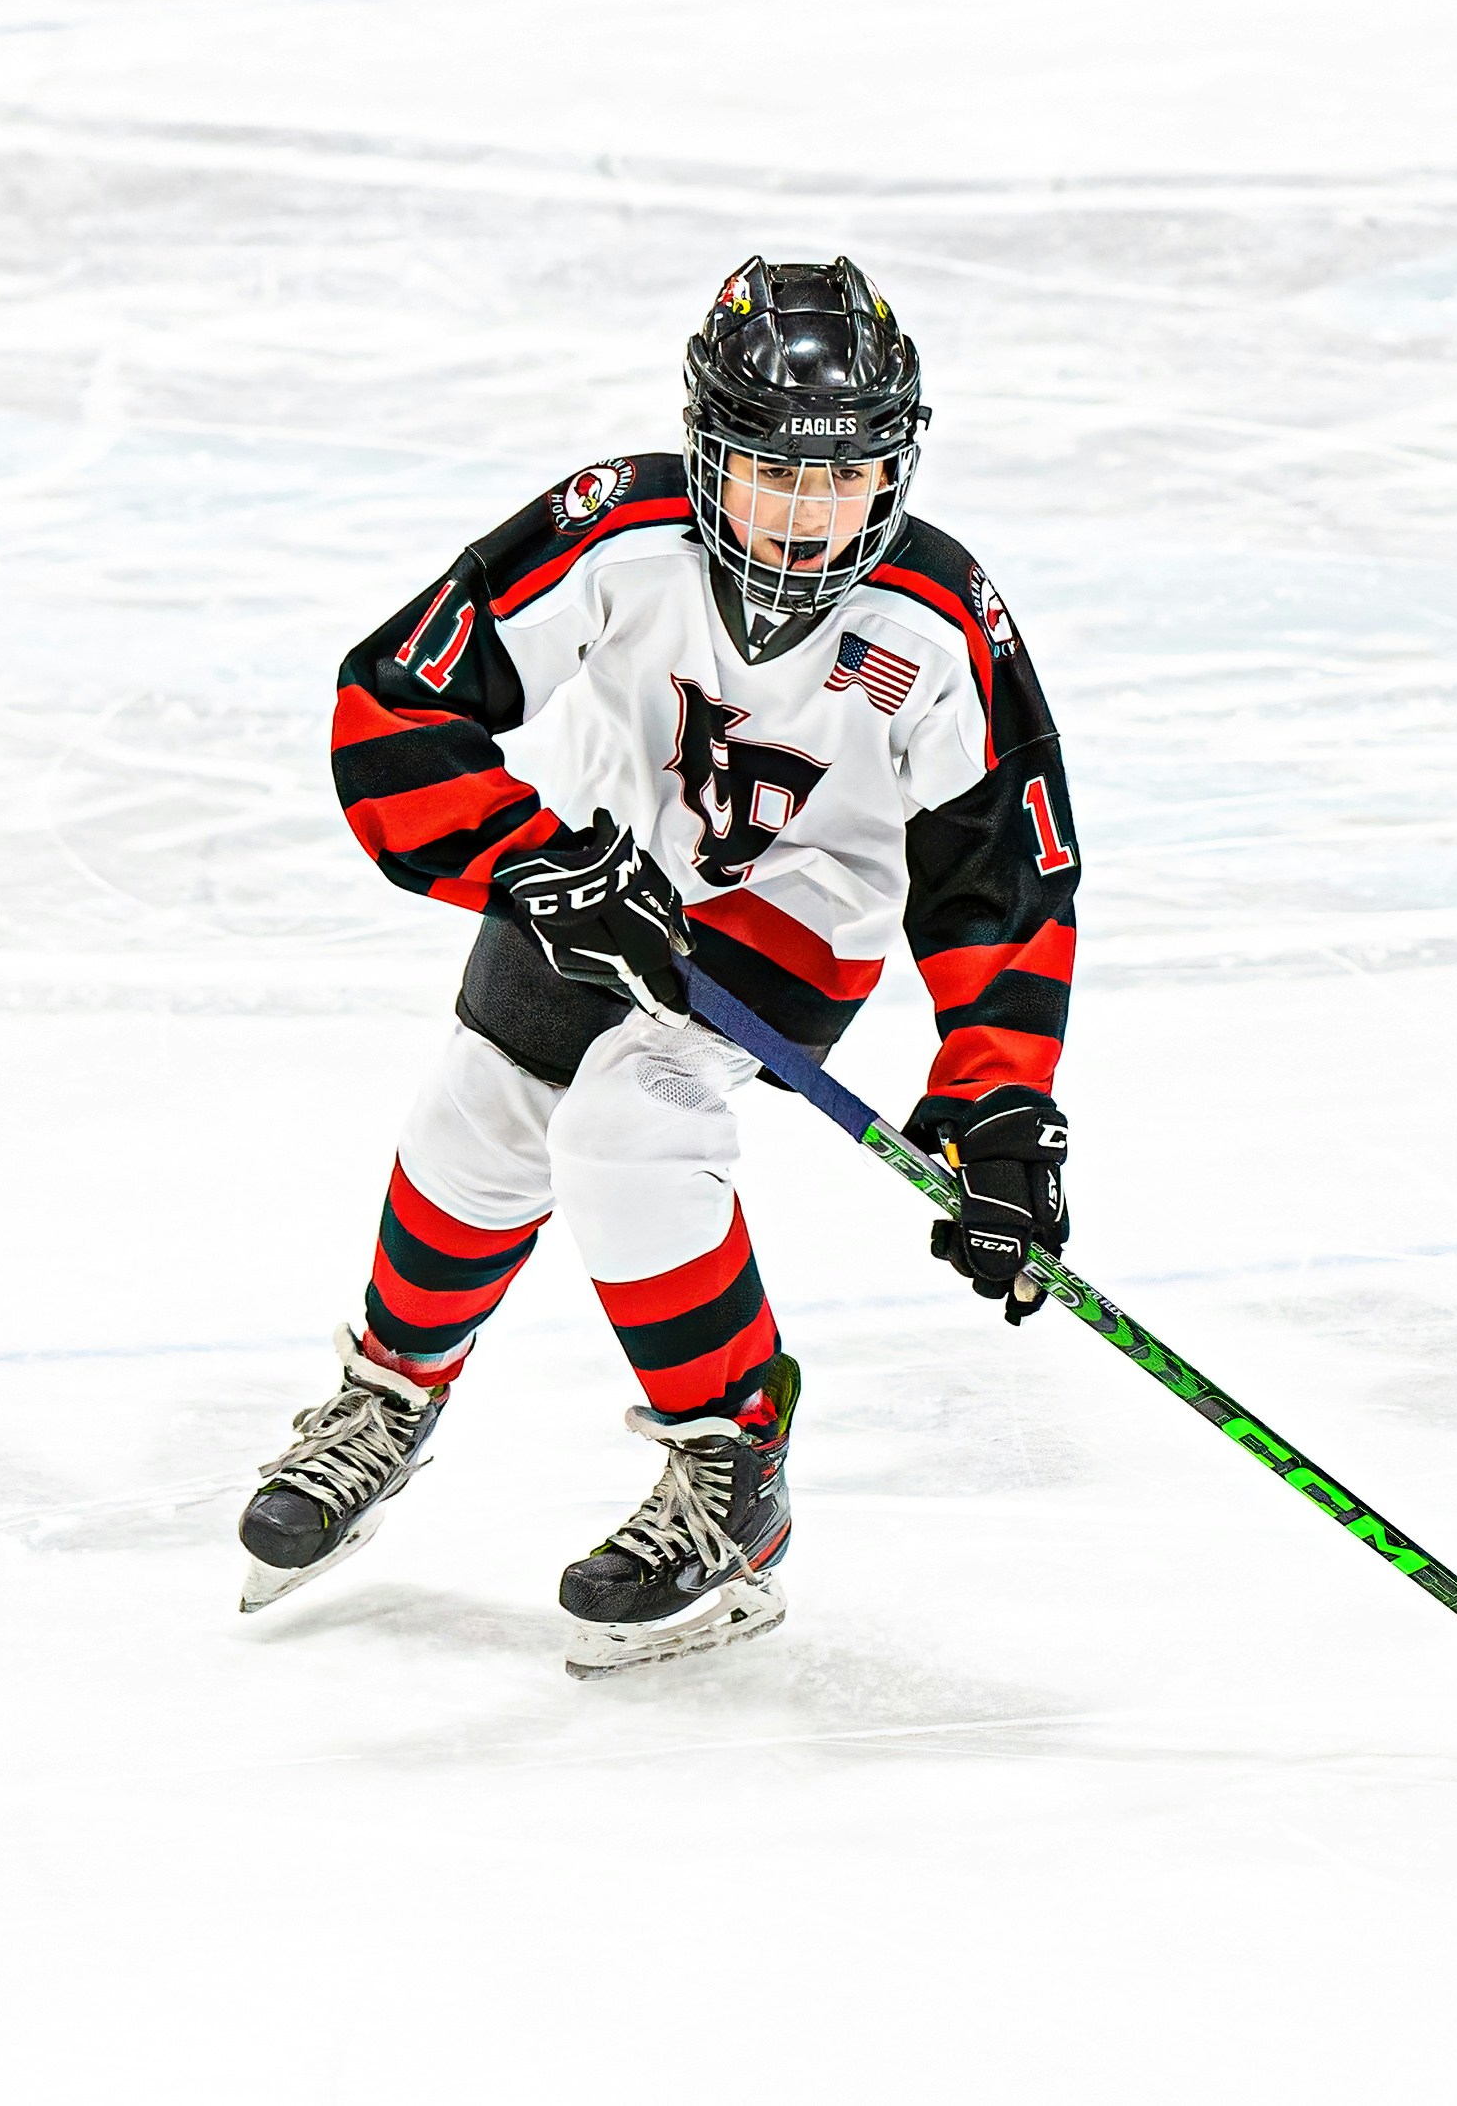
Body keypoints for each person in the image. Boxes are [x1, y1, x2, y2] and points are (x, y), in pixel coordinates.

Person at [239, 256, 1083, 1672]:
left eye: (846, 476)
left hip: (796, 908)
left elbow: (1005, 870)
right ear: (706, 451)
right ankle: (388, 1395)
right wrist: (523, 862)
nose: (812, 517)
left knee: (631, 1122)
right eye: (773, 474)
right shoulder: (612, 531)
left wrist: (997, 1102)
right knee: (479, 1115)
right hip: (592, 870)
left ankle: (732, 1479)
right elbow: (392, 702)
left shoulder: (938, 620)